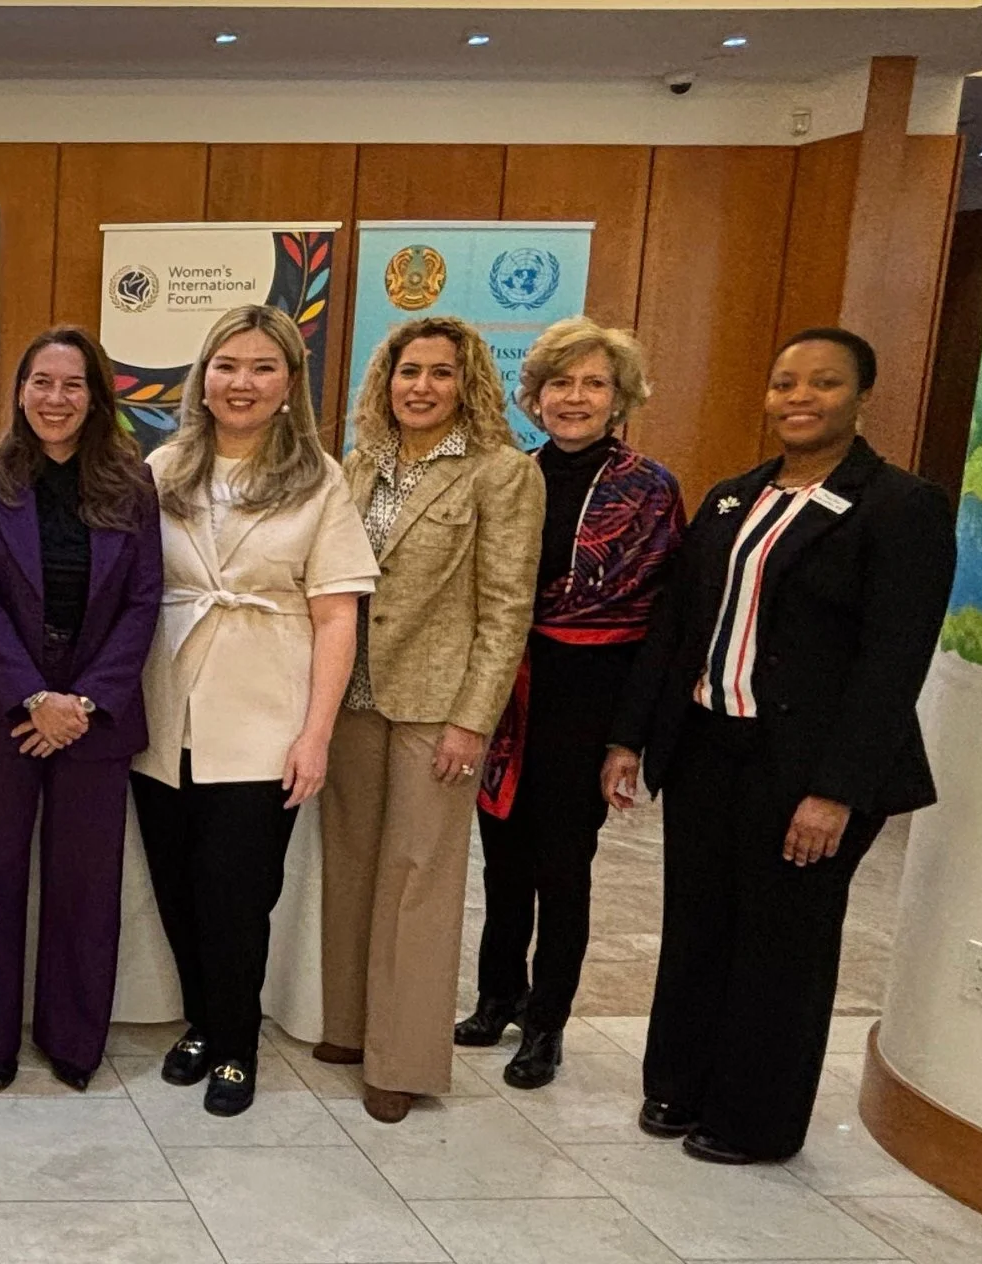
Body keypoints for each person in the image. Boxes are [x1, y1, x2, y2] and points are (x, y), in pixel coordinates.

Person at [605, 328, 953, 1165]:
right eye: (784, 382)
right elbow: (679, 627)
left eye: (823, 383)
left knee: (781, 945)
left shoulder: (900, 507)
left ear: (861, 395)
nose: (800, 397)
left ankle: (753, 1121)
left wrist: (837, 791)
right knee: (698, 926)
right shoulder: (735, 497)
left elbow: (891, 663)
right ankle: (679, 1085)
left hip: (806, 766)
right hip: (707, 748)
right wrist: (632, 737)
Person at [131, 306, 376, 1117]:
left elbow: (338, 614)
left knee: (237, 896)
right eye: (227, 365)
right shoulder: (163, 467)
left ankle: (237, 1045)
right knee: (176, 887)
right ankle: (202, 1022)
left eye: (263, 367)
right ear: (202, 377)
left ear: (288, 386)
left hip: (266, 716)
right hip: (167, 713)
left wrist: (316, 733)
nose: (242, 382)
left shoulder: (320, 478)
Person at [320, 315, 542, 1124]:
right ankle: (347, 1025)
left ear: (467, 382)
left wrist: (472, 721)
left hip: (436, 707)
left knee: (420, 879)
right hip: (353, 697)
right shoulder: (359, 465)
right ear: (385, 380)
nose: (421, 386)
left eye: (440, 373)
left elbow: (507, 608)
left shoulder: (501, 474)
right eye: (408, 371)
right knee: (349, 866)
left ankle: (402, 1059)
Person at [457, 317, 684, 1091]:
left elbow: (662, 629)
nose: (575, 398)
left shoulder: (650, 490)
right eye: (560, 383)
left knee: (564, 868)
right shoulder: (511, 473)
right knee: (501, 863)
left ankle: (546, 1023)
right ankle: (496, 998)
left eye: (594, 384)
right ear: (535, 395)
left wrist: (628, 739)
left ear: (620, 397)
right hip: (507, 692)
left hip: (591, 701)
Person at [0, 326, 165, 1092]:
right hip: (0, 710)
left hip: (95, 719)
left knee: (85, 886)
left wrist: (83, 702)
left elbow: (143, 603)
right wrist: (33, 698)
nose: (56, 399)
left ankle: (73, 1042)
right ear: (20, 391)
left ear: (96, 397)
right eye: (42, 383)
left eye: (73, 385)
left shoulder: (132, 483)